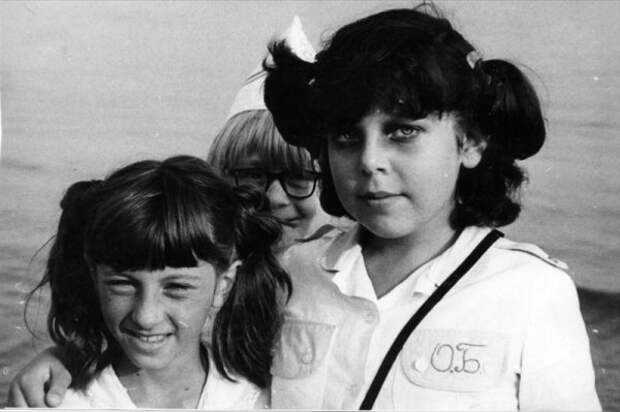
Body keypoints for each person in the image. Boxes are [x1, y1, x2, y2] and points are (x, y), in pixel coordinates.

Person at [261, 4, 601, 410]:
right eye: (347, 136)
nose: (370, 161)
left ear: (470, 141)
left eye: (403, 131)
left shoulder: (531, 291)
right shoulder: (290, 274)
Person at [19, 155, 290, 409]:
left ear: (224, 285)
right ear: (94, 278)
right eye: (122, 284)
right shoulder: (57, 403)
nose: (146, 316)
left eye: (177, 287)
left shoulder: (266, 399)